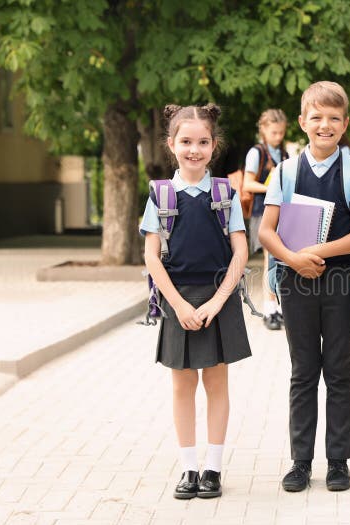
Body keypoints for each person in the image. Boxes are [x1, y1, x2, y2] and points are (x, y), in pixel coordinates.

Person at [258, 81, 350, 493]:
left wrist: (316, 251)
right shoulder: (285, 171)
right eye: (317, 118)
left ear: (345, 124)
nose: (325, 125)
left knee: (340, 373)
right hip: (295, 282)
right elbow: (267, 232)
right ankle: (300, 462)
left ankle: (338, 461)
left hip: (340, 280)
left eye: (334, 118)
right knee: (303, 372)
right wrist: (294, 260)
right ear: (302, 122)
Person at [140, 104, 251, 500]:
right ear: (171, 145)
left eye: (202, 142)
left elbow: (241, 251)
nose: (194, 150)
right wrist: (180, 307)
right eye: (186, 142)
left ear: (213, 145)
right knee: (182, 385)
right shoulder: (161, 194)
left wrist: (218, 301)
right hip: (178, 299)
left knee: (217, 383)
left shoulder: (225, 193)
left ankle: (214, 469)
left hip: (217, 299)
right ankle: (189, 468)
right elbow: (152, 257)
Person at [244, 109, 289, 330]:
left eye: (281, 132)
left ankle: (280, 308)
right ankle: (269, 309)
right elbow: (247, 184)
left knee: (282, 263)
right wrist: (272, 188)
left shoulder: (284, 153)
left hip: (284, 213)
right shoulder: (257, 152)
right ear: (263, 130)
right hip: (263, 213)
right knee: (270, 261)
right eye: (274, 132)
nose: (278, 137)